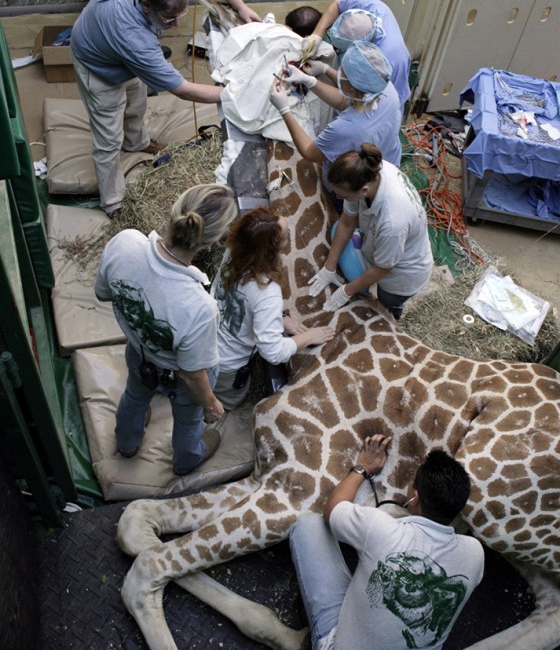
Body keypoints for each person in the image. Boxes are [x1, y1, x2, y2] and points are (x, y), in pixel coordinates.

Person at [70, 0, 261, 217]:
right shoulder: (133, 37)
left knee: (136, 101)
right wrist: (237, 95)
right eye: (169, 19)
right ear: (145, 5)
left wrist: (241, 7)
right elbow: (182, 89)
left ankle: (137, 143)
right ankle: (112, 201)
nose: (177, 25)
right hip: (99, 66)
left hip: (121, 54)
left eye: (180, 15)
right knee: (108, 138)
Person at [94, 183, 238, 476]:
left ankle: (127, 443)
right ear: (210, 243)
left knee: (133, 398)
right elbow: (191, 373)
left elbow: (103, 293)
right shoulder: (200, 307)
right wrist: (211, 404)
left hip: (139, 355)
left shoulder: (124, 242)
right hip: (180, 379)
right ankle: (187, 460)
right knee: (189, 422)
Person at [289, 436, 485, 650]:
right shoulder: (476, 554)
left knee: (308, 525)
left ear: (415, 496)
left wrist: (362, 467)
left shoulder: (381, 529)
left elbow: (333, 508)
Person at [211, 207, 335, 409]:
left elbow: (242, 300)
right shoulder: (267, 291)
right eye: (285, 237)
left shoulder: (233, 251)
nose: (289, 238)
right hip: (227, 366)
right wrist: (310, 336)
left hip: (205, 342)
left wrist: (280, 318)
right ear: (270, 250)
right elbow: (273, 352)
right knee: (228, 403)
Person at [308, 144, 433, 318]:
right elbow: (346, 222)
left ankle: (393, 315)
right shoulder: (367, 172)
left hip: (403, 274)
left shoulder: (393, 222)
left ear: (363, 190)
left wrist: (346, 291)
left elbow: (383, 268)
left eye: (343, 196)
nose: (339, 199)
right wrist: (329, 267)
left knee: (387, 304)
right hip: (386, 248)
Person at [269, 42, 402, 198]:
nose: (337, 73)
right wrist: (309, 80)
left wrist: (284, 109)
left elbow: (309, 151)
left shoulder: (346, 128)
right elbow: (344, 100)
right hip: (389, 162)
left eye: (341, 73)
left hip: (352, 185)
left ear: (352, 86)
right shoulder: (383, 86)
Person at [301, 0, 411, 112]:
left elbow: (355, 96)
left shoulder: (380, 61)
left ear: (359, 48)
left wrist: (322, 72)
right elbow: (338, 4)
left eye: (340, 50)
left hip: (383, 103)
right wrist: (317, 34)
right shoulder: (372, 6)